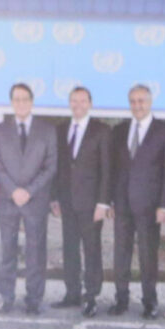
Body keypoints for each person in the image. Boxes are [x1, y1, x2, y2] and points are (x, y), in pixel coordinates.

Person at [105, 84, 165, 318]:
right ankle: (121, 299)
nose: (137, 105)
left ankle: (150, 301)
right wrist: (110, 201)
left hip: (150, 205)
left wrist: (164, 205)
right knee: (121, 253)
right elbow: (113, 169)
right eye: (133, 101)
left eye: (141, 101)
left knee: (148, 255)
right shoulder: (119, 130)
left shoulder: (164, 131)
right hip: (122, 203)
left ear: (150, 102)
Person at [0, 81, 57, 315]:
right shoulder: (0, 130)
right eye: (16, 99)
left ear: (31, 102)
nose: (21, 103)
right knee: (6, 250)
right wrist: (13, 190)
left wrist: (29, 191)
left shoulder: (47, 130)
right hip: (8, 199)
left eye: (25, 99)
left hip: (35, 200)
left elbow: (50, 166)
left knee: (36, 251)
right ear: (11, 103)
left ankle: (34, 298)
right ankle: (5, 296)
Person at [53, 85, 111, 316]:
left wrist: (103, 203)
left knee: (92, 249)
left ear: (90, 104)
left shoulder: (101, 130)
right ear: (69, 103)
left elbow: (107, 168)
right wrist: (54, 198)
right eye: (74, 101)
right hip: (67, 201)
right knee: (69, 248)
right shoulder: (61, 130)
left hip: (91, 203)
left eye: (83, 101)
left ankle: (91, 296)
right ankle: (72, 293)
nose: (78, 105)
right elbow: (58, 167)